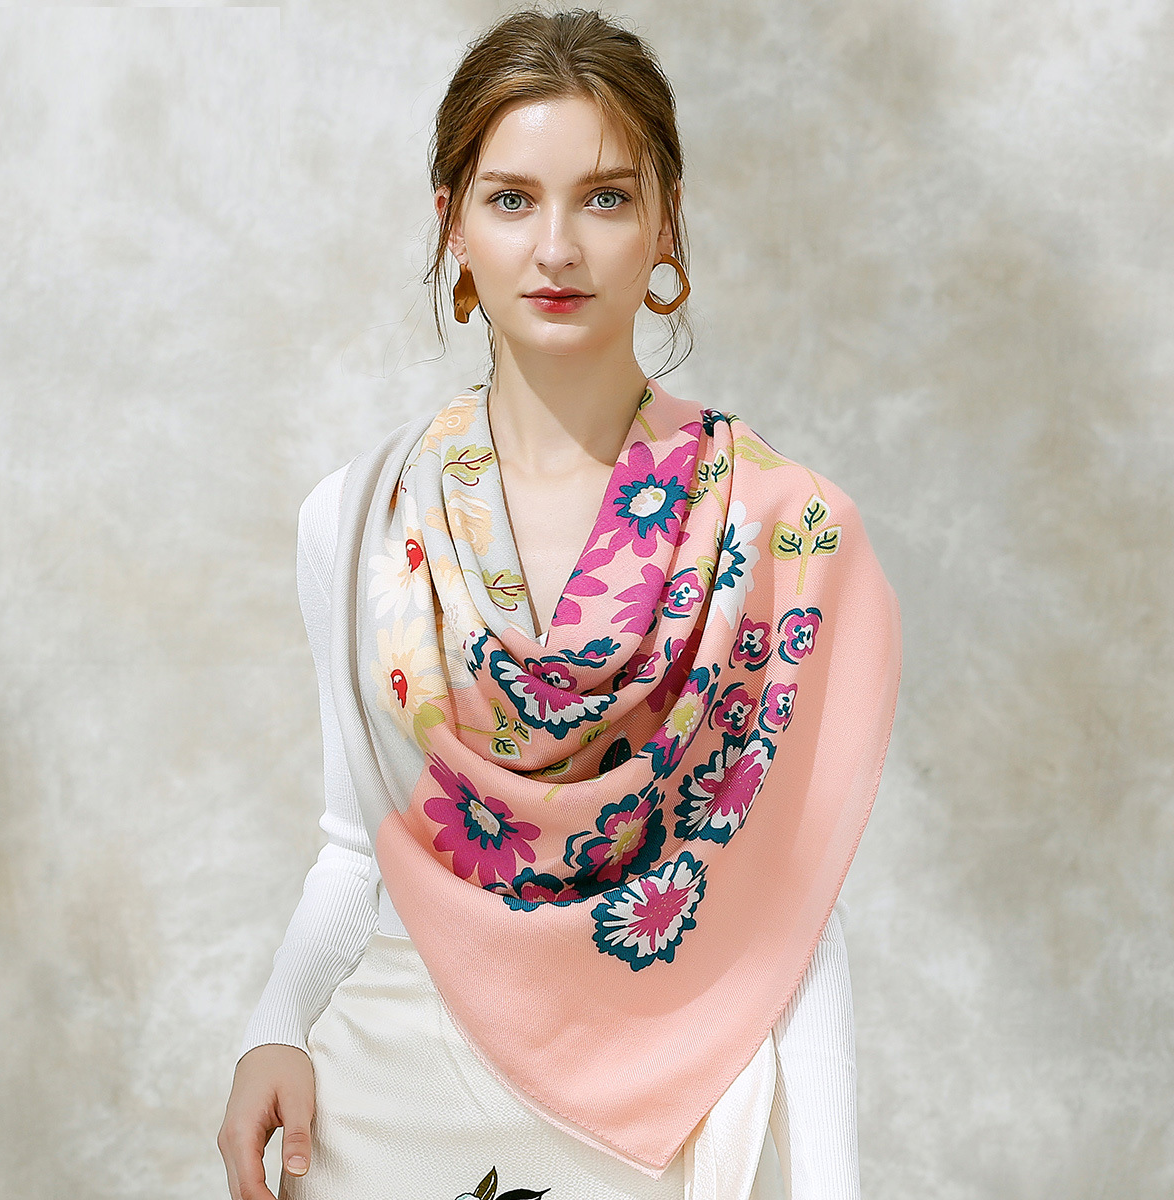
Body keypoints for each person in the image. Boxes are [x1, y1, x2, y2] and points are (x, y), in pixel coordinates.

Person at [217, 9, 901, 1200]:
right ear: (453, 226)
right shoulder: (359, 518)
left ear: (665, 223)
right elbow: (353, 847)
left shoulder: (778, 532)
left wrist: (833, 1186)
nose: (556, 248)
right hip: (388, 1101)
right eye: (511, 199)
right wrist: (271, 1029)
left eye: (605, 198)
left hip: (666, 1108)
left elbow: (788, 910)